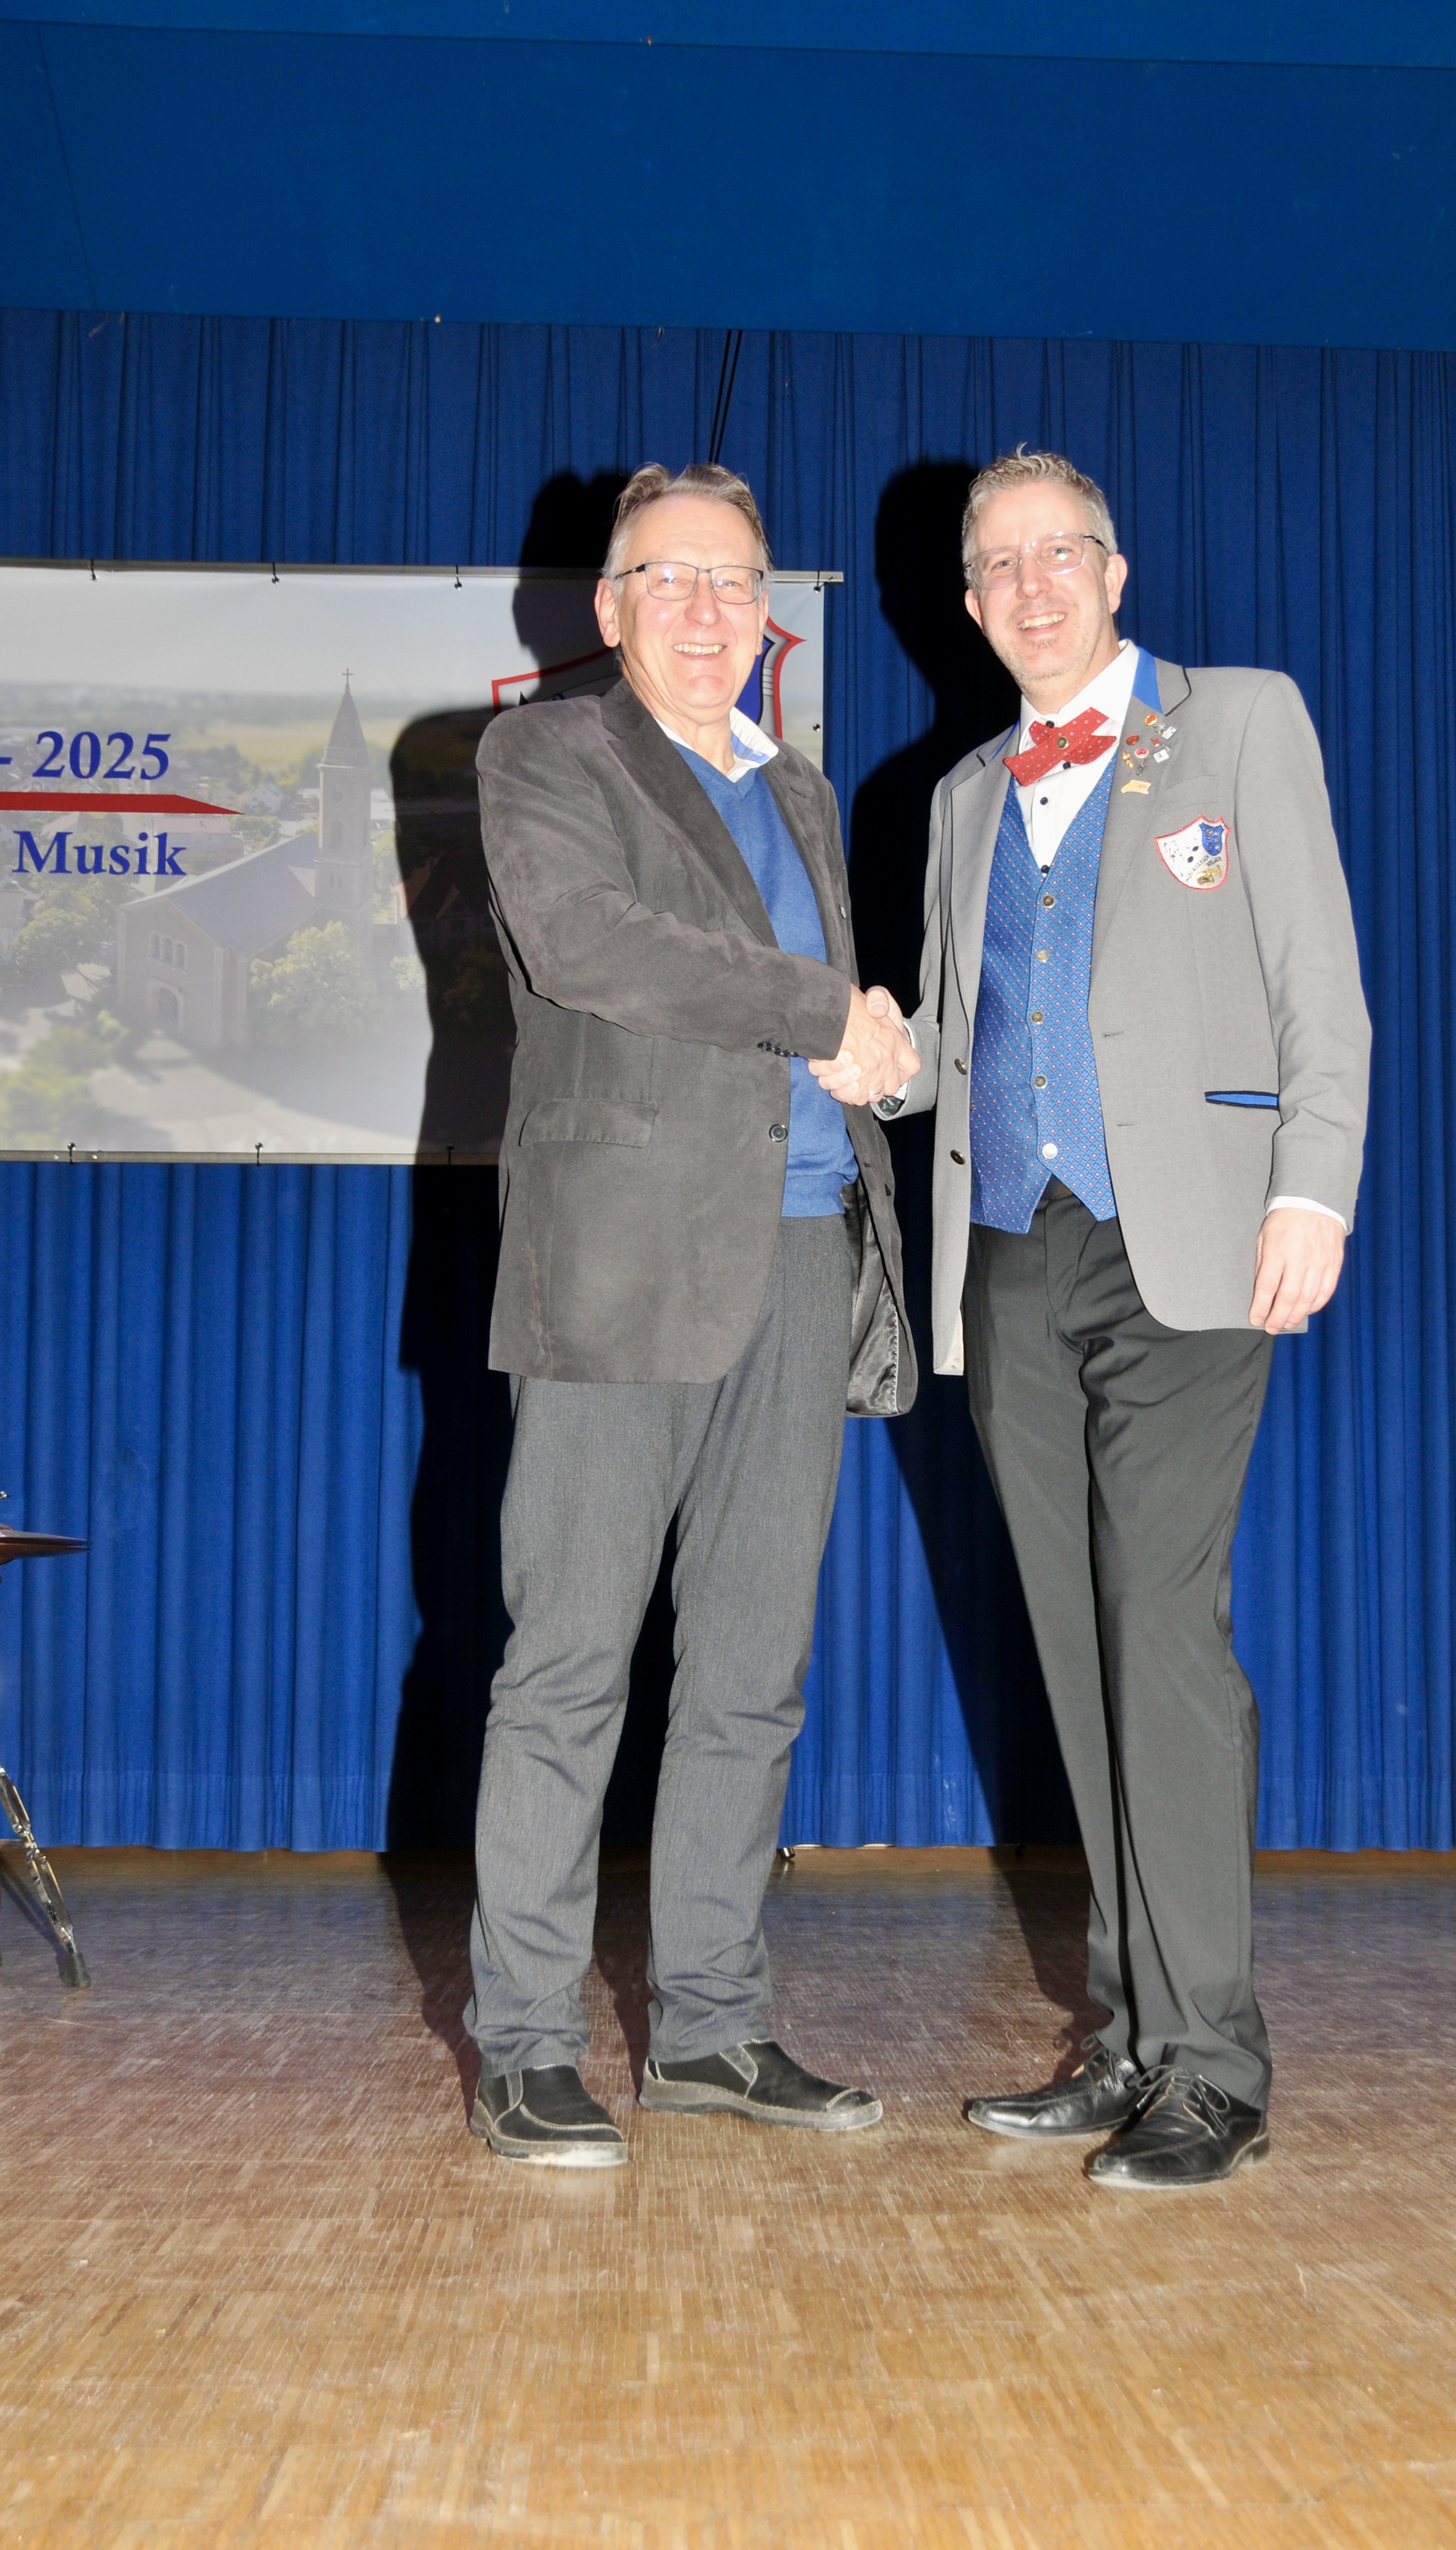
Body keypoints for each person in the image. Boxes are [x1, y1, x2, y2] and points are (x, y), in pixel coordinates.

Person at [824, 448, 1370, 2188]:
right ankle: (1131, 2034)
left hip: (1188, 1241)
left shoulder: (1241, 721)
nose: (1031, 585)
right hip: (1013, 1252)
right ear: (966, 604)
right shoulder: (958, 794)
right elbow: (962, 1035)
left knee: (1161, 1625)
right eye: (998, 565)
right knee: (1073, 1639)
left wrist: (1314, 1186)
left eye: (1059, 552)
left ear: (1114, 573)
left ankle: (1214, 2062)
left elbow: (1319, 979)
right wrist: (871, 1056)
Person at [466, 460, 920, 2168]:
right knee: (569, 1664)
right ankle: (525, 2043)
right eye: (670, 579)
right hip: (614, 1273)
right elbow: (593, 945)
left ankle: (713, 2027)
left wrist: (875, 1060)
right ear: (611, 608)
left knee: (749, 1674)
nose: (708, 608)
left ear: (768, 612)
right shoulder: (546, 753)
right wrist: (825, 1010)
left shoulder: (799, 785)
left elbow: (829, 1033)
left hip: (798, 1253)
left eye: (735, 580)